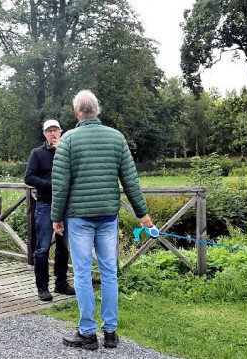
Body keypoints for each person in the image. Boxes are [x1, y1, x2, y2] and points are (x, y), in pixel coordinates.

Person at [51, 90, 154, 350]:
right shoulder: (116, 138)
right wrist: (143, 215)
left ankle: (87, 333)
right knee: (109, 273)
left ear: (77, 113)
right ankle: (110, 333)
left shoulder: (69, 140)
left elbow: (60, 184)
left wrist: (56, 217)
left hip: (79, 217)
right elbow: (130, 180)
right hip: (108, 216)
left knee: (83, 274)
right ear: (97, 110)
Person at [24, 119, 76, 301]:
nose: (53, 134)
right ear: (44, 134)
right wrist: (50, 185)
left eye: (55, 130)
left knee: (63, 247)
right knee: (43, 248)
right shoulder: (37, 154)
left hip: (66, 206)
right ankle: (42, 287)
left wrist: (62, 151)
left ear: (61, 132)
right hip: (46, 204)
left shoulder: (68, 151)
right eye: (49, 131)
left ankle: (61, 283)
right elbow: (29, 177)